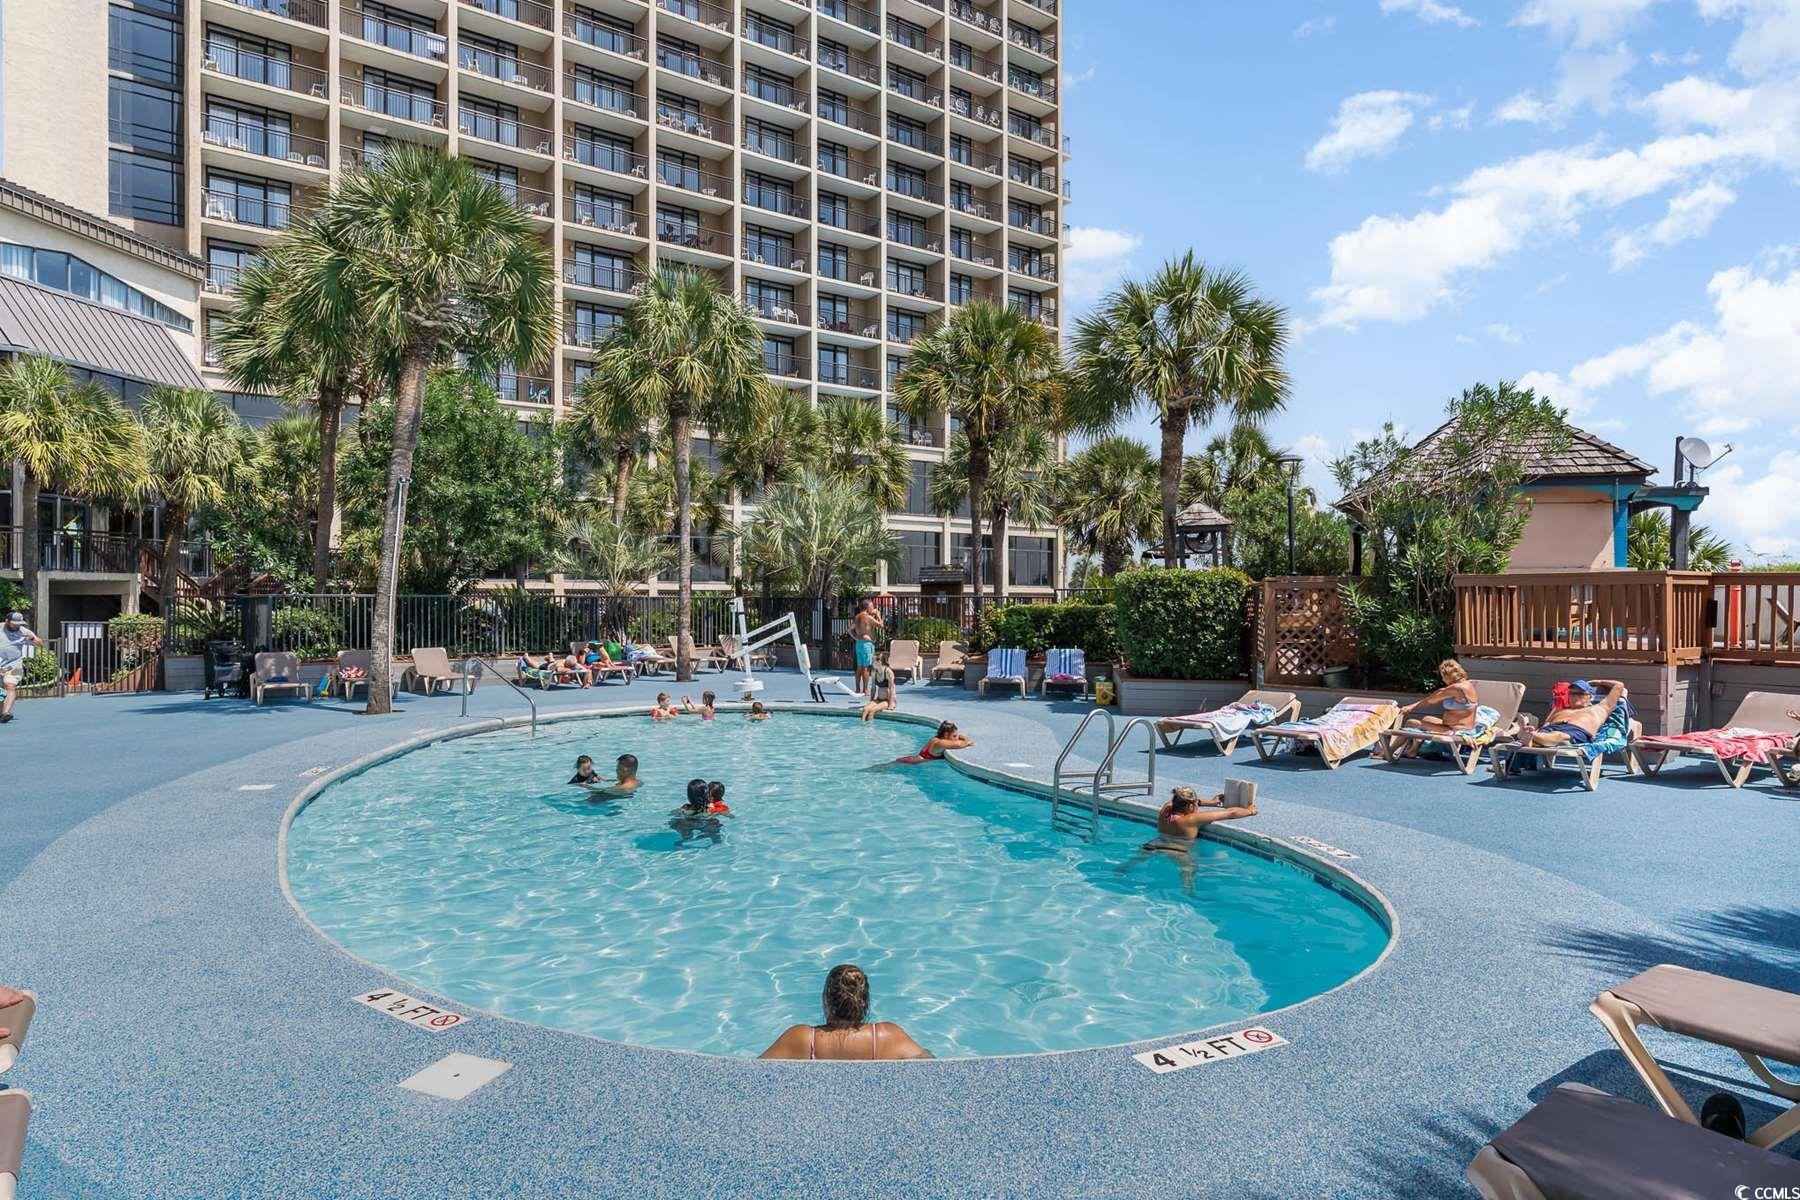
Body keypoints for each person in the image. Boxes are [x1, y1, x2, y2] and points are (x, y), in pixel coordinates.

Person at [759, 964, 932, 1060]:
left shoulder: (803, 1038)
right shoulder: (886, 1036)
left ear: (826, 1000)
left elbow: (755, 1071)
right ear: (865, 1002)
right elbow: (930, 1065)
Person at [1385, 658, 1480, 759]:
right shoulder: (1467, 684)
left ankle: (1388, 753)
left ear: (1448, 676)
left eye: (1443, 677)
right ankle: (1413, 750)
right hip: (1455, 726)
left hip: (1456, 730)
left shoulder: (1456, 688)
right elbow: (1438, 695)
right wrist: (1441, 691)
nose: (1443, 680)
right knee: (1427, 719)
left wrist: (1411, 707)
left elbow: (1431, 700)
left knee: (1411, 722)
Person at [1523, 678, 1628, 747]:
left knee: (1559, 736)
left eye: (1580, 693)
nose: (1575, 696)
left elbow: (1619, 685)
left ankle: (1530, 736)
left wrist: (1598, 682)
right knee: (1546, 733)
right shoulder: (1562, 710)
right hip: (1551, 728)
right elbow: (1547, 724)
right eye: (1572, 693)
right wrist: (1541, 729)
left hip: (1575, 731)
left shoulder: (1600, 709)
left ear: (1590, 697)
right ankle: (1532, 738)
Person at [1152, 786, 1257, 844]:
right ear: (1190, 806)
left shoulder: (1166, 809)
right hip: (1178, 853)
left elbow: (1186, 801)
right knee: (1189, 874)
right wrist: (1250, 811)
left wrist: (1212, 802)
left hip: (1155, 845)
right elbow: (1231, 813)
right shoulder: (1191, 819)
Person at [0, 611, 42, 725]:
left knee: (10, 685)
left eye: (19, 623)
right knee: (1, 692)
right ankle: (2, 712)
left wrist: (32, 639)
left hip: (14, 664)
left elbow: (40, 643)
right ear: (7, 621)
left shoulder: (24, 632)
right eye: (14, 623)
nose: (17, 626)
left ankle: (6, 713)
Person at [896, 721, 973, 763]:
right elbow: (959, 745)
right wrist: (967, 741)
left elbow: (960, 737)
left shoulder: (936, 738)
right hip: (910, 763)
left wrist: (959, 736)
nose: (956, 738)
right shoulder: (940, 743)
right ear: (946, 735)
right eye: (954, 736)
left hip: (911, 760)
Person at [850, 599, 884, 695]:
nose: (873, 608)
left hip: (859, 643)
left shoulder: (857, 617)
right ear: (867, 607)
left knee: (859, 667)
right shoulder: (868, 617)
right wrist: (878, 615)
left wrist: (855, 637)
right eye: (871, 606)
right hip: (867, 644)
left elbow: (849, 629)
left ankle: (857, 688)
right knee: (866, 667)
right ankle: (865, 689)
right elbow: (881, 625)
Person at [860, 652, 896, 723]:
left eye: (873, 661)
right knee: (865, 709)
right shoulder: (874, 672)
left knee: (872, 711)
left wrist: (891, 704)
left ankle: (870, 728)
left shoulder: (888, 672)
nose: (872, 663)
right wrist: (871, 701)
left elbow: (891, 689)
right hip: (879, 699)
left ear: (879, 662)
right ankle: (861, 726)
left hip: (887, 700)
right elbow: (873, 688)